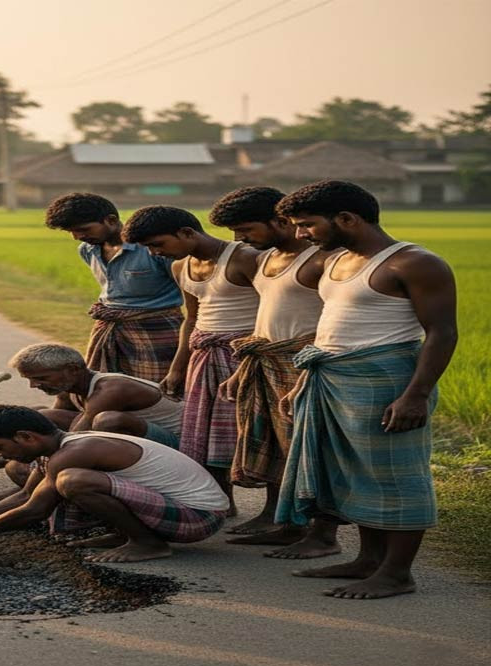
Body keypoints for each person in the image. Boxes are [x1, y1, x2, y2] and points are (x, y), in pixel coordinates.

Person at [275, 181, 457, 600]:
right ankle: (368, 560)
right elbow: (332, 328)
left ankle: (397, 573)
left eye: (307, 225)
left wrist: (415, 394)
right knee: (354, 475)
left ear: (346, 219)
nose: (301, 235)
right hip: (333, 380)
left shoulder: (414, 263)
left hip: (387, 381)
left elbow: (442, 332)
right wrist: (306, 380)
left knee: (395, 475)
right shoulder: (336, 259)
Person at [0, 405, 228, 563]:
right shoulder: (53, 449)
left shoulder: (73, 453)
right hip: (173, 507)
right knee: (65, 481)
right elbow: (25, 496)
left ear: (26, 437)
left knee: (73, 482)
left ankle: (148, 544)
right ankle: (128, 534)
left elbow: (34, 511)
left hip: (199, 518)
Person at [210, 187, 341, 557]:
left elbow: (337, 320)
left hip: (301, 363)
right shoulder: (264, 258)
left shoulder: (319, 260)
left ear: (280, 221)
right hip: (264, 361)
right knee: (275, 445)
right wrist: (243, 368)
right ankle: (279, 518)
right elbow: (266, 315)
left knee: (309, 449)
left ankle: (322, 535)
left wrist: (306, 363)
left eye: (246, 229)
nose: (240, 239)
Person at [124, 206, 261, 515]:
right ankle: (223, 503)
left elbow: (272, 310)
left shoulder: (245, 258)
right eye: (149, 248)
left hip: (245, 356)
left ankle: (272, 513)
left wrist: (253, 350)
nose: (156, 253)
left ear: (187, 232)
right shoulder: (180, 267)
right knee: (205, 431)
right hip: (203, 356)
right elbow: (192, 317)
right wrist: (177, 367)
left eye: (158, 244)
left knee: (254, 431)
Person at [0, 343, 183, 488]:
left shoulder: (111, 389)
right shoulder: (72, 386)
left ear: (73, 370)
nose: (35, 386)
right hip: (135, 440)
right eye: (30, 379)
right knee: (39, 415)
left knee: (106, 421)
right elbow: (44, 431)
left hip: (175, 445)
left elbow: (75, 441)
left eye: (41, 378)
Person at [44, 193, 183, 384]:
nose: (78, 237)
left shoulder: (153, 249)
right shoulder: (87, 249)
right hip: (109, 328)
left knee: (156, 390)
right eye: (72, 232)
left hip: (157, 330)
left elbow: (190, 290)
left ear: (111, 220)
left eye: (83, 229)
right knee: (103, 387)